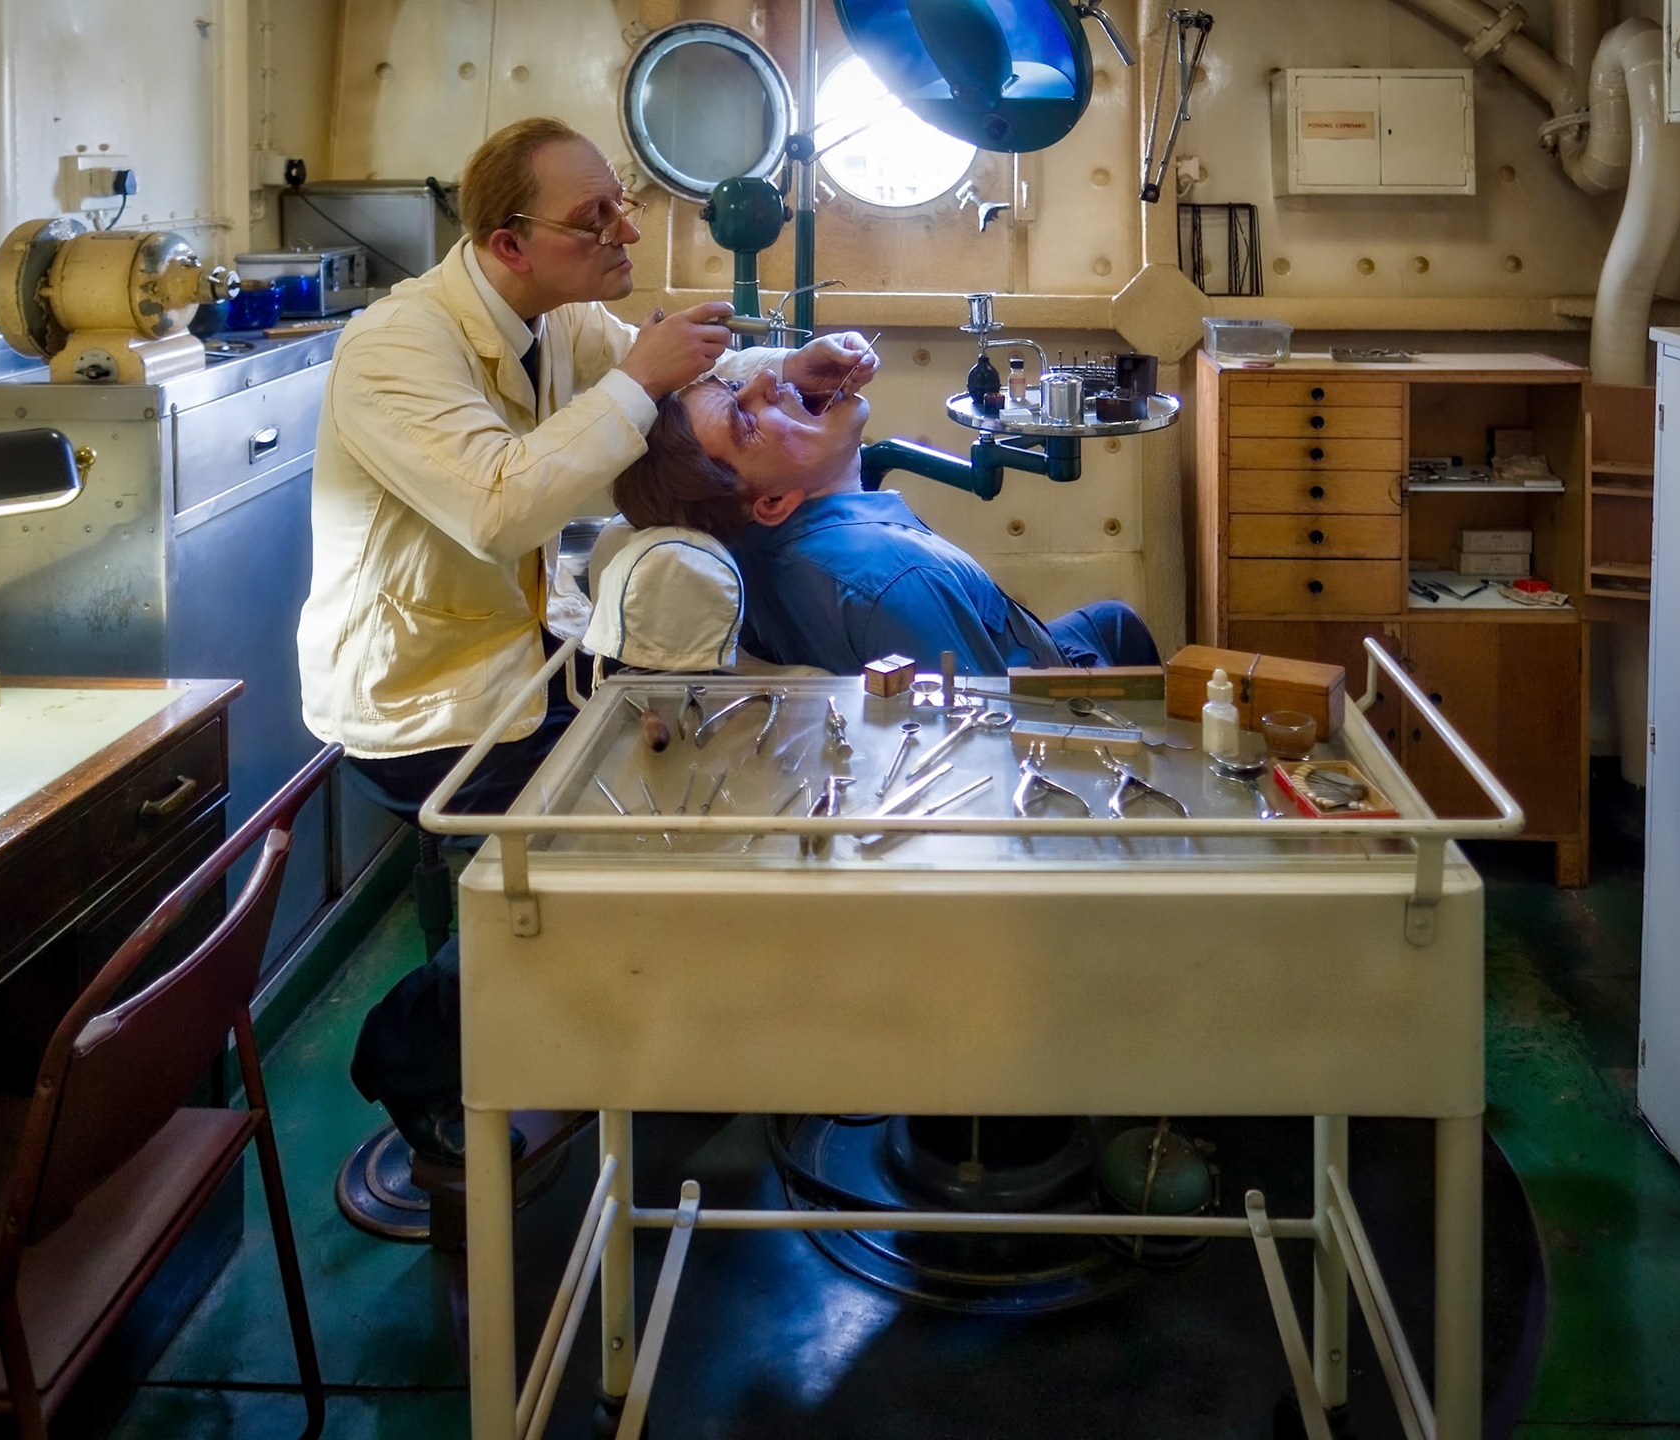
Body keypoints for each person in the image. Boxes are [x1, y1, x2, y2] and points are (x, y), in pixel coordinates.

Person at [294, 116, 878, 1165]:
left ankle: (627, 1040)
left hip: (520, 663)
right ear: (508, 242)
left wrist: (792, 361)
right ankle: (412, 1050)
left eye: (623, 206)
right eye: (593, 219)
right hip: (422, 705)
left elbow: (674, 380)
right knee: (633, 857)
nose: (622, 235)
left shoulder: (557, 316)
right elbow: (498, 506)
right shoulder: (395, 349)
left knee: (686, 805)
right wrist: (642, 376)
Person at [611, 370, 1159, 675]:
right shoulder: (900, 583)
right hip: (1039, 698)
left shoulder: (745, 541)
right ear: (773, 502)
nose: (766, 380)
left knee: (1114, 622)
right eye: (746, 420)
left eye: (734, 387)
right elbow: (992, 747)